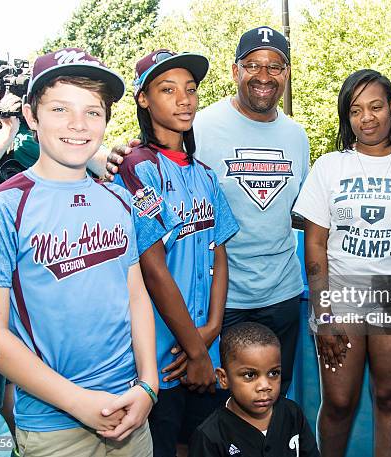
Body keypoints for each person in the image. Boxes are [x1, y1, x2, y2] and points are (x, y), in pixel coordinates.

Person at [0, 48, 164, 456]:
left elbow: (136, 296)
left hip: (132, 412)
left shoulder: (119, 200)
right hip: (55, 426)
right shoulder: (1, 208)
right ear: (32, 116)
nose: (78, 124)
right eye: (59, 109)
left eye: (93, 111)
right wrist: (79, 404)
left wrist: (148, 385)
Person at [106, 26, 310, 395]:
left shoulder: (298, 136)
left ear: (287, 74)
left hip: (282, 293)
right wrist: (115, 158)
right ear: (235, 72)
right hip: (222, 303)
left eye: (275, 66)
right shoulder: (198, 124)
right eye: (252, 65)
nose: (264, 76)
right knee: (217, 415)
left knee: (272, 402)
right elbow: (156, 157)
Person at [293, 69, 391, 457]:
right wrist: (323, 317)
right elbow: (316, 246)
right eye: (356, 110)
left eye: (375, 106)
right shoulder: (329, 167)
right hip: (341, 298)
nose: (367, 117)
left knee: (390, 398)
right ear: (347, 116)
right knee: (338, 403)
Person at [113, 49, 239, 456]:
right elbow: (153, 268)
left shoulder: (203, 173)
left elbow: (219, 251)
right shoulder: (137, 166)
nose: (184, 99)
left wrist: (213, 329)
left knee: (203, 445)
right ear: (143, 99)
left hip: (206, 342)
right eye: (168, 90)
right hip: (165, 354)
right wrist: (194, 349)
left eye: (191, 89)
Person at [189, 321, 320, 457]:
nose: (265, 386)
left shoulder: (292, 413)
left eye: (273, 373)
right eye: (250, 375)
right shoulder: (210, 436)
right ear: (223, 378)